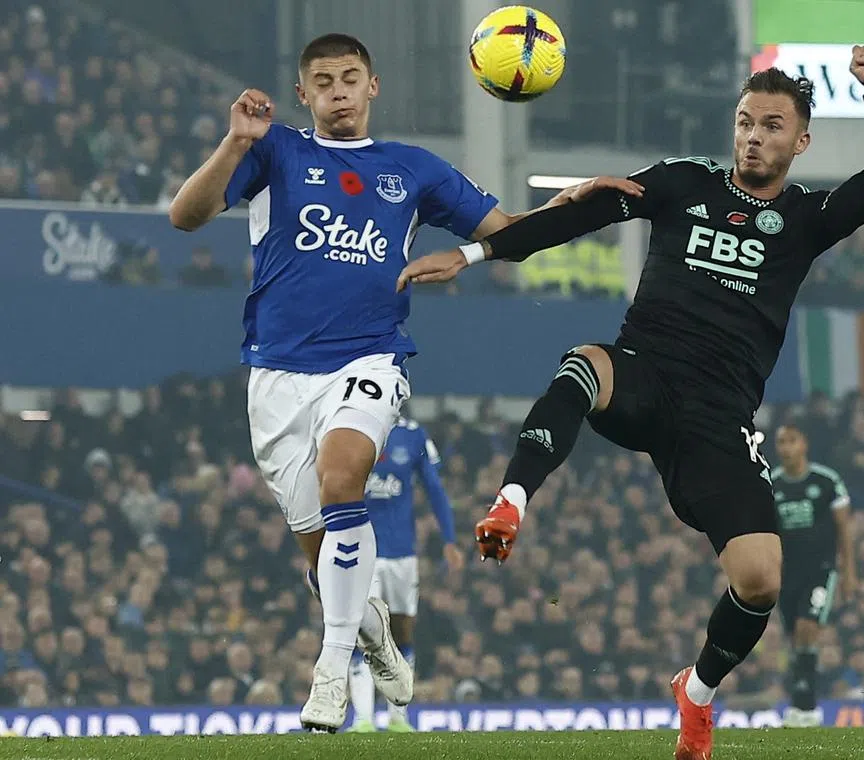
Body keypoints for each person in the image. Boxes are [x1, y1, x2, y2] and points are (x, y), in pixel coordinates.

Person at [399, 45, 864, 759]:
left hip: (718, 419)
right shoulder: (681, 183)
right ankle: (511, 499)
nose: (754, 135)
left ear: (801, 141)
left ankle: (695, 693)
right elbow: (578, 214)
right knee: (583, 364)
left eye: (771, 126)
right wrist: (475, 255)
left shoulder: (806, 221)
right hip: (643, 372)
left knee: (760, 582)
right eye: (745, 122)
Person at [167, 33, 637, 732]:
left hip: (371, 358)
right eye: (322, 81)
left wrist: (576, 204)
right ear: (304, 95)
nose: (337, 91)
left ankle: (330, 675)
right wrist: (235, 142)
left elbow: (506, 231)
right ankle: (371, 627)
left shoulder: (412, 169)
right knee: (322, 556)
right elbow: (185, 215)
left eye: (349, 77)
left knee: (343, 479)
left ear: (373, 86)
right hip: (276, 372)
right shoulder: (275, 152)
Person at [346, 415, 463, 733]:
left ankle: (398, 717)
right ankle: (363, 720)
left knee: (402, 632)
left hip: (403, 554)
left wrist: (449, 539)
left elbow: (435, 490)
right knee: (365, 631)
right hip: (362, 550)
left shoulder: (413, 437)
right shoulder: (350, 427)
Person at [770, 422, 855, 727]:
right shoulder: (772, 485)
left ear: (803, 443)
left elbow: (844, 529)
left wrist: (848, 573)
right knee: (796, 639)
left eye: (791, 440)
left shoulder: (827, 481)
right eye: (781, 442)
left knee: (808, 626)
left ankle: (807, 707)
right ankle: (800, 705)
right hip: (786, 574)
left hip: (820, 570)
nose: (786, 447)